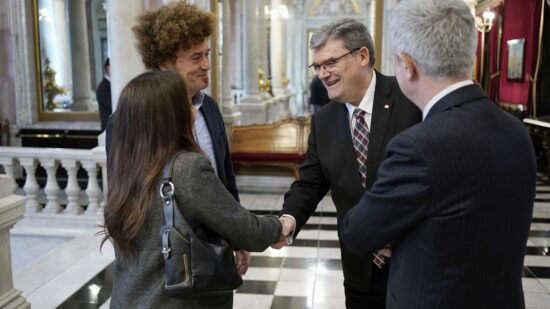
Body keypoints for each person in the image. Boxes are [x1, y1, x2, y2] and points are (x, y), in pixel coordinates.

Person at [339, 1, 537, 308]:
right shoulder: (516, 131)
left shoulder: (418, 147)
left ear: (407, 65)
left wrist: (398, 235)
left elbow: (357, 233)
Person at [274, 19, 421, 308]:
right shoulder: (324, 120)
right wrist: (287, 220)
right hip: (359, 270)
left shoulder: (410, 101)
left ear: (362, 56)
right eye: (317, 66)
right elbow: (310, 183)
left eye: (329, 62)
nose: (322, 74)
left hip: (412, 265)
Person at [104, 70, 282, 308]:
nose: (193, 110)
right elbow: (245, 230)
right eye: (186, 103)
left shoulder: (126, 166)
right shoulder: (187, 168)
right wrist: (282, 226)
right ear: (172, 115)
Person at [126, 1, 252, 273]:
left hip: (214, 249)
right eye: (195, 57)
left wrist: (238, 235)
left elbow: (225, 179)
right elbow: (126, 191)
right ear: (164, 63)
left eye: (207, 54)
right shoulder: (134, 118)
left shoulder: (210, 109)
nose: (207, 65)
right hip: (162, 255)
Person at [96, 58, 111, 132]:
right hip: (109, 128)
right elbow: (112, 106)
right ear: (108, 68)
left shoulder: (114, 85)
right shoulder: (102, 88)